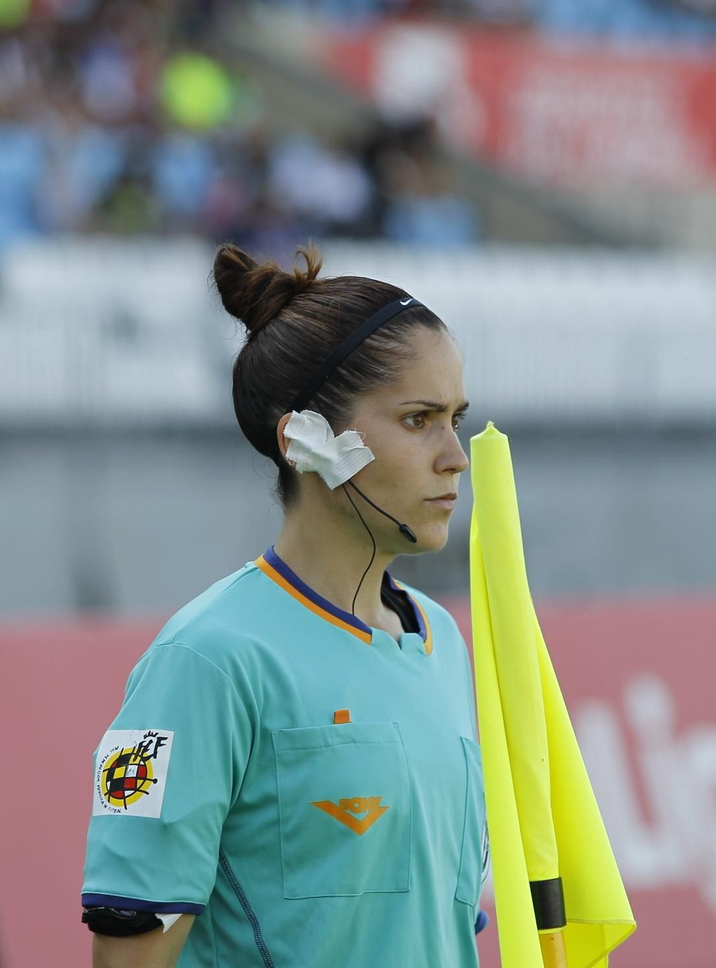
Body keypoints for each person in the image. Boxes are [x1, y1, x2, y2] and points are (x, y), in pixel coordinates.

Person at [81, 242, 489, 967]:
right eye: (418, 419)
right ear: (305, 439)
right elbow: (127, 958)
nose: (455, 455)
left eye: (456, 417)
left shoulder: (442, 640)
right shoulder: (204, 659)